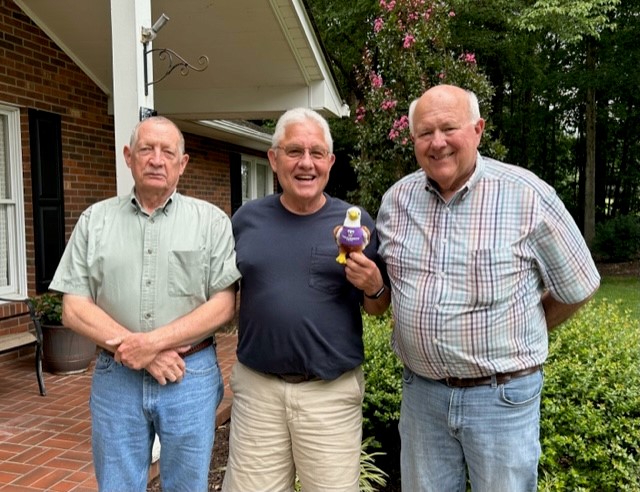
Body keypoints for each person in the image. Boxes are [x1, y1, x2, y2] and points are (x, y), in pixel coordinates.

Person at [376, 85, 601, 492]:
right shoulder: (396, 202)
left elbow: (580, 283)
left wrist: (526, 329)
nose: (437, 142)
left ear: (477, 130)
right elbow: (389, 291)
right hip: (422, 398)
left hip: (502, 400)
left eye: (449, 128)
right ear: (413, 140)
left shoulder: (528, 195)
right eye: (425, 132)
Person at [50, 116, 241, 492]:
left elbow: (224, 304)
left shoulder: (211, 222)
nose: (156, 159)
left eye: (167, 152)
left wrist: (151, 344)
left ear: (182, 163)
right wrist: (138, 349)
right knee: (118, 485)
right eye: (146, 150)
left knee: (187, 486)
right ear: (128, 157)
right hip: (115, 378)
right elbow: (73, 307)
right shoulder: (95, 221)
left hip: (190, 376)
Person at [222, 107, 389, 492]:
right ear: (274, 158)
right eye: (294, 151)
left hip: (328, 394)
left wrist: (374, 284)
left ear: (330, 162)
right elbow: (223, 295)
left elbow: (377, 307)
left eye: (317, 153)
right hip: (258, 391)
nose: (306, 163)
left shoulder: (356, 223)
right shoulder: (246, 220)